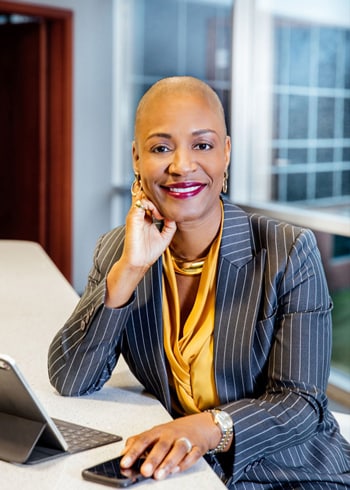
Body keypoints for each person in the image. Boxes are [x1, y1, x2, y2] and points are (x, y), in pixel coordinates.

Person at [48, 76, 350, 489]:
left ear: (226, 153)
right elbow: (71, 379)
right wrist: (130, 270)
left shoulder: (287, 250)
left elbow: (301, 404)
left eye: (202, 145)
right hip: (189, 472)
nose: (182, 165)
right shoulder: (117, 250)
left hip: (292, 472)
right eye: (161, 148)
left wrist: (206, 429)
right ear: (136, 158)